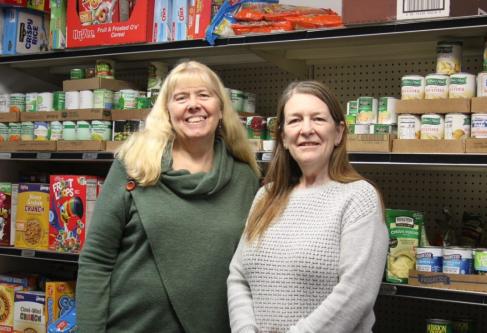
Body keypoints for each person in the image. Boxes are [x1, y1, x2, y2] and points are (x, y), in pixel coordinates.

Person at [76, 60, 260, 332]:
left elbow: (250, 271)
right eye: (181, 97)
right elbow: (96, 259)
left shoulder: (245, 178)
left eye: (204, 95)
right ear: (167, 112)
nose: (193, 105)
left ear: (220, 109)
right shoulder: (135, 165)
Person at [227, 80, 389, 333]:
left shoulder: (359, 197)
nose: (306, 129)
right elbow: (238, 277)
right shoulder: (265, 196)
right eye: (294, 120)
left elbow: (355, 295)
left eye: (318, 119)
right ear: (283, 136)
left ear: (338, 133)